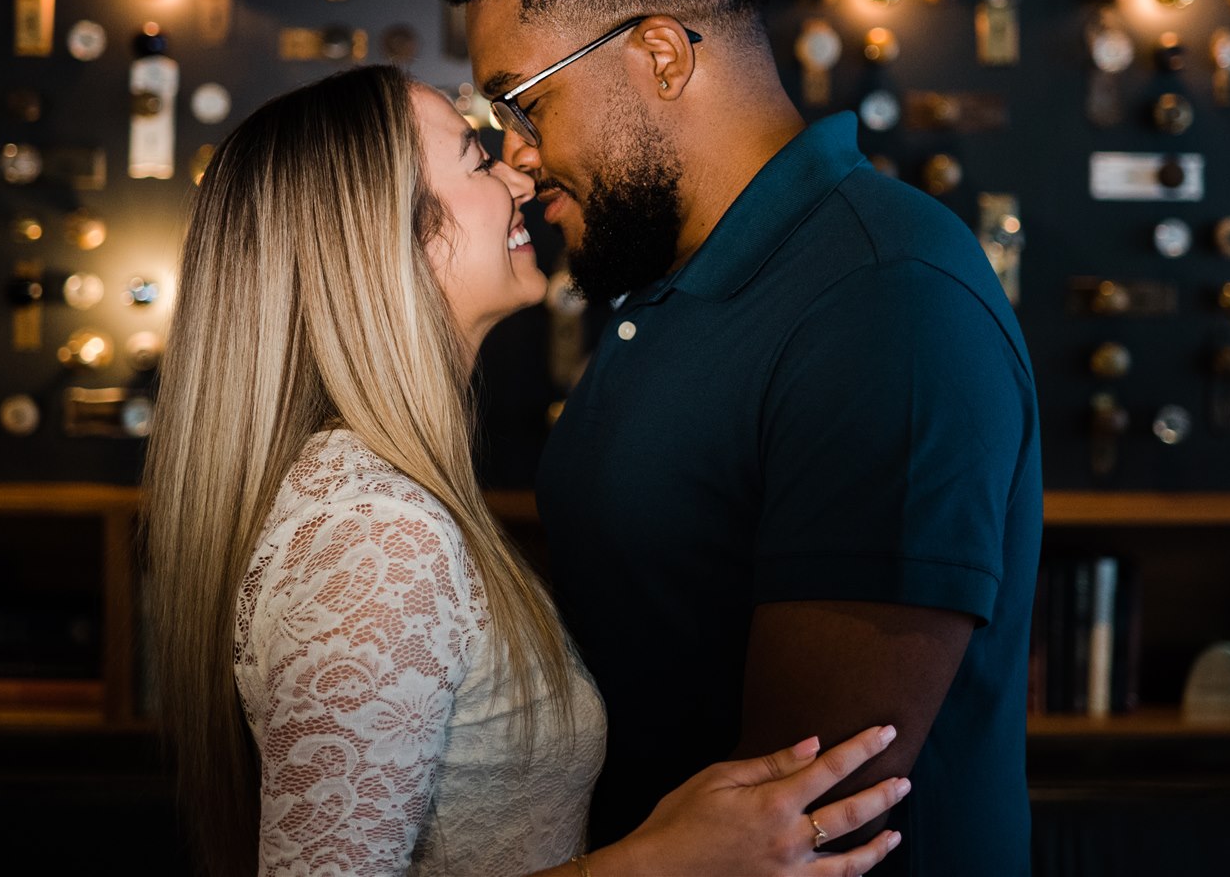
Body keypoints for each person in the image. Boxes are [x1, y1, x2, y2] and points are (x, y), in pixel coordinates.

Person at [424, 0, 1044, 876]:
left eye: (522, 102)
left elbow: (800, 814)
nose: (517, 158)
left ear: (658, 54)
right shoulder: (662, 280)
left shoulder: (882, 301)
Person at [142, 65, 910, 877]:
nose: (517, 170)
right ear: (389, 237)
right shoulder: (376, 538)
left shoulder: (381, 502)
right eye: (476, 158)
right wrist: (659, 864)